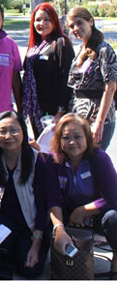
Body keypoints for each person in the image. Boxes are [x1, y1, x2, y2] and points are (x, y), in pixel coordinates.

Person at [0, 111, 48, 278]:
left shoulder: (36, 160)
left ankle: (30, 247)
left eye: (14, 130)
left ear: (23, 132)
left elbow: (42, 203)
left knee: (30, 271)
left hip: (30, 222)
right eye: (2, 131)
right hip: (3, 219)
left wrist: (37, 242)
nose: (8, 136)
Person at [46, 113, 117, 274]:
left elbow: (113, 197)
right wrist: (59, 228)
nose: (72, 142)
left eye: (77, 136)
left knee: (114, 218)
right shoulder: (52, 161)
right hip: (66, 212)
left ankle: (115, 263)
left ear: (87, 138)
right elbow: (53, 198)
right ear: (59, 140)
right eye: (66, 138)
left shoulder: (100, 159)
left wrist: (82, 211)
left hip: (97, 213)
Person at [66, 7, 117, 151]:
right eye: (71, 26)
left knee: (95, 163)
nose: (76, 28)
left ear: (91, 22)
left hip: (99, 118)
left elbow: (111, 87)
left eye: (79, 23)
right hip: (79, 117)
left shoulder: (104, 50)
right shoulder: (81, 50)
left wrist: (99, 123)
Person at [22, 3, 74, 137]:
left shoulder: (61, 44)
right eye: (38, 20)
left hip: (54, 111)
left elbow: (67, 79)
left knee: (55, 151)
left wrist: (60, 111)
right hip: (35, 109)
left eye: (46, 19)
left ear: (54, 21)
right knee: (42, 150)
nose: (42, 23)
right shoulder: (34, 47)